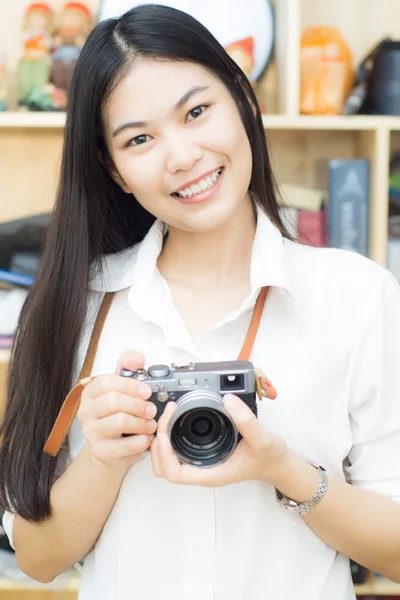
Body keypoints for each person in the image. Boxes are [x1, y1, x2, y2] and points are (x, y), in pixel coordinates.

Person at [1, 5, 400, 600]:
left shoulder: (357, 297)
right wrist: (104, 461)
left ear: (243, 99)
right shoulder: (74, 306)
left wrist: (284, 470)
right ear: (114, 170)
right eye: (139, 139)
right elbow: (35, 560)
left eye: (196, 111)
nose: (182, 156)